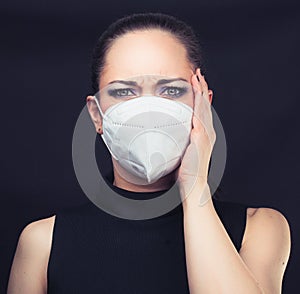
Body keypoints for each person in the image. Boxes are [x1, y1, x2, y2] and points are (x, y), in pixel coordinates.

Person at [7, 12, 291, 294]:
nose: (148, 111)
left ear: (203, 104)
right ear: (96, 115)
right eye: (124, 92)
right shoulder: (43, 242)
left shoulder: (259, 229)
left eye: (170, 90)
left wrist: (194, 189)